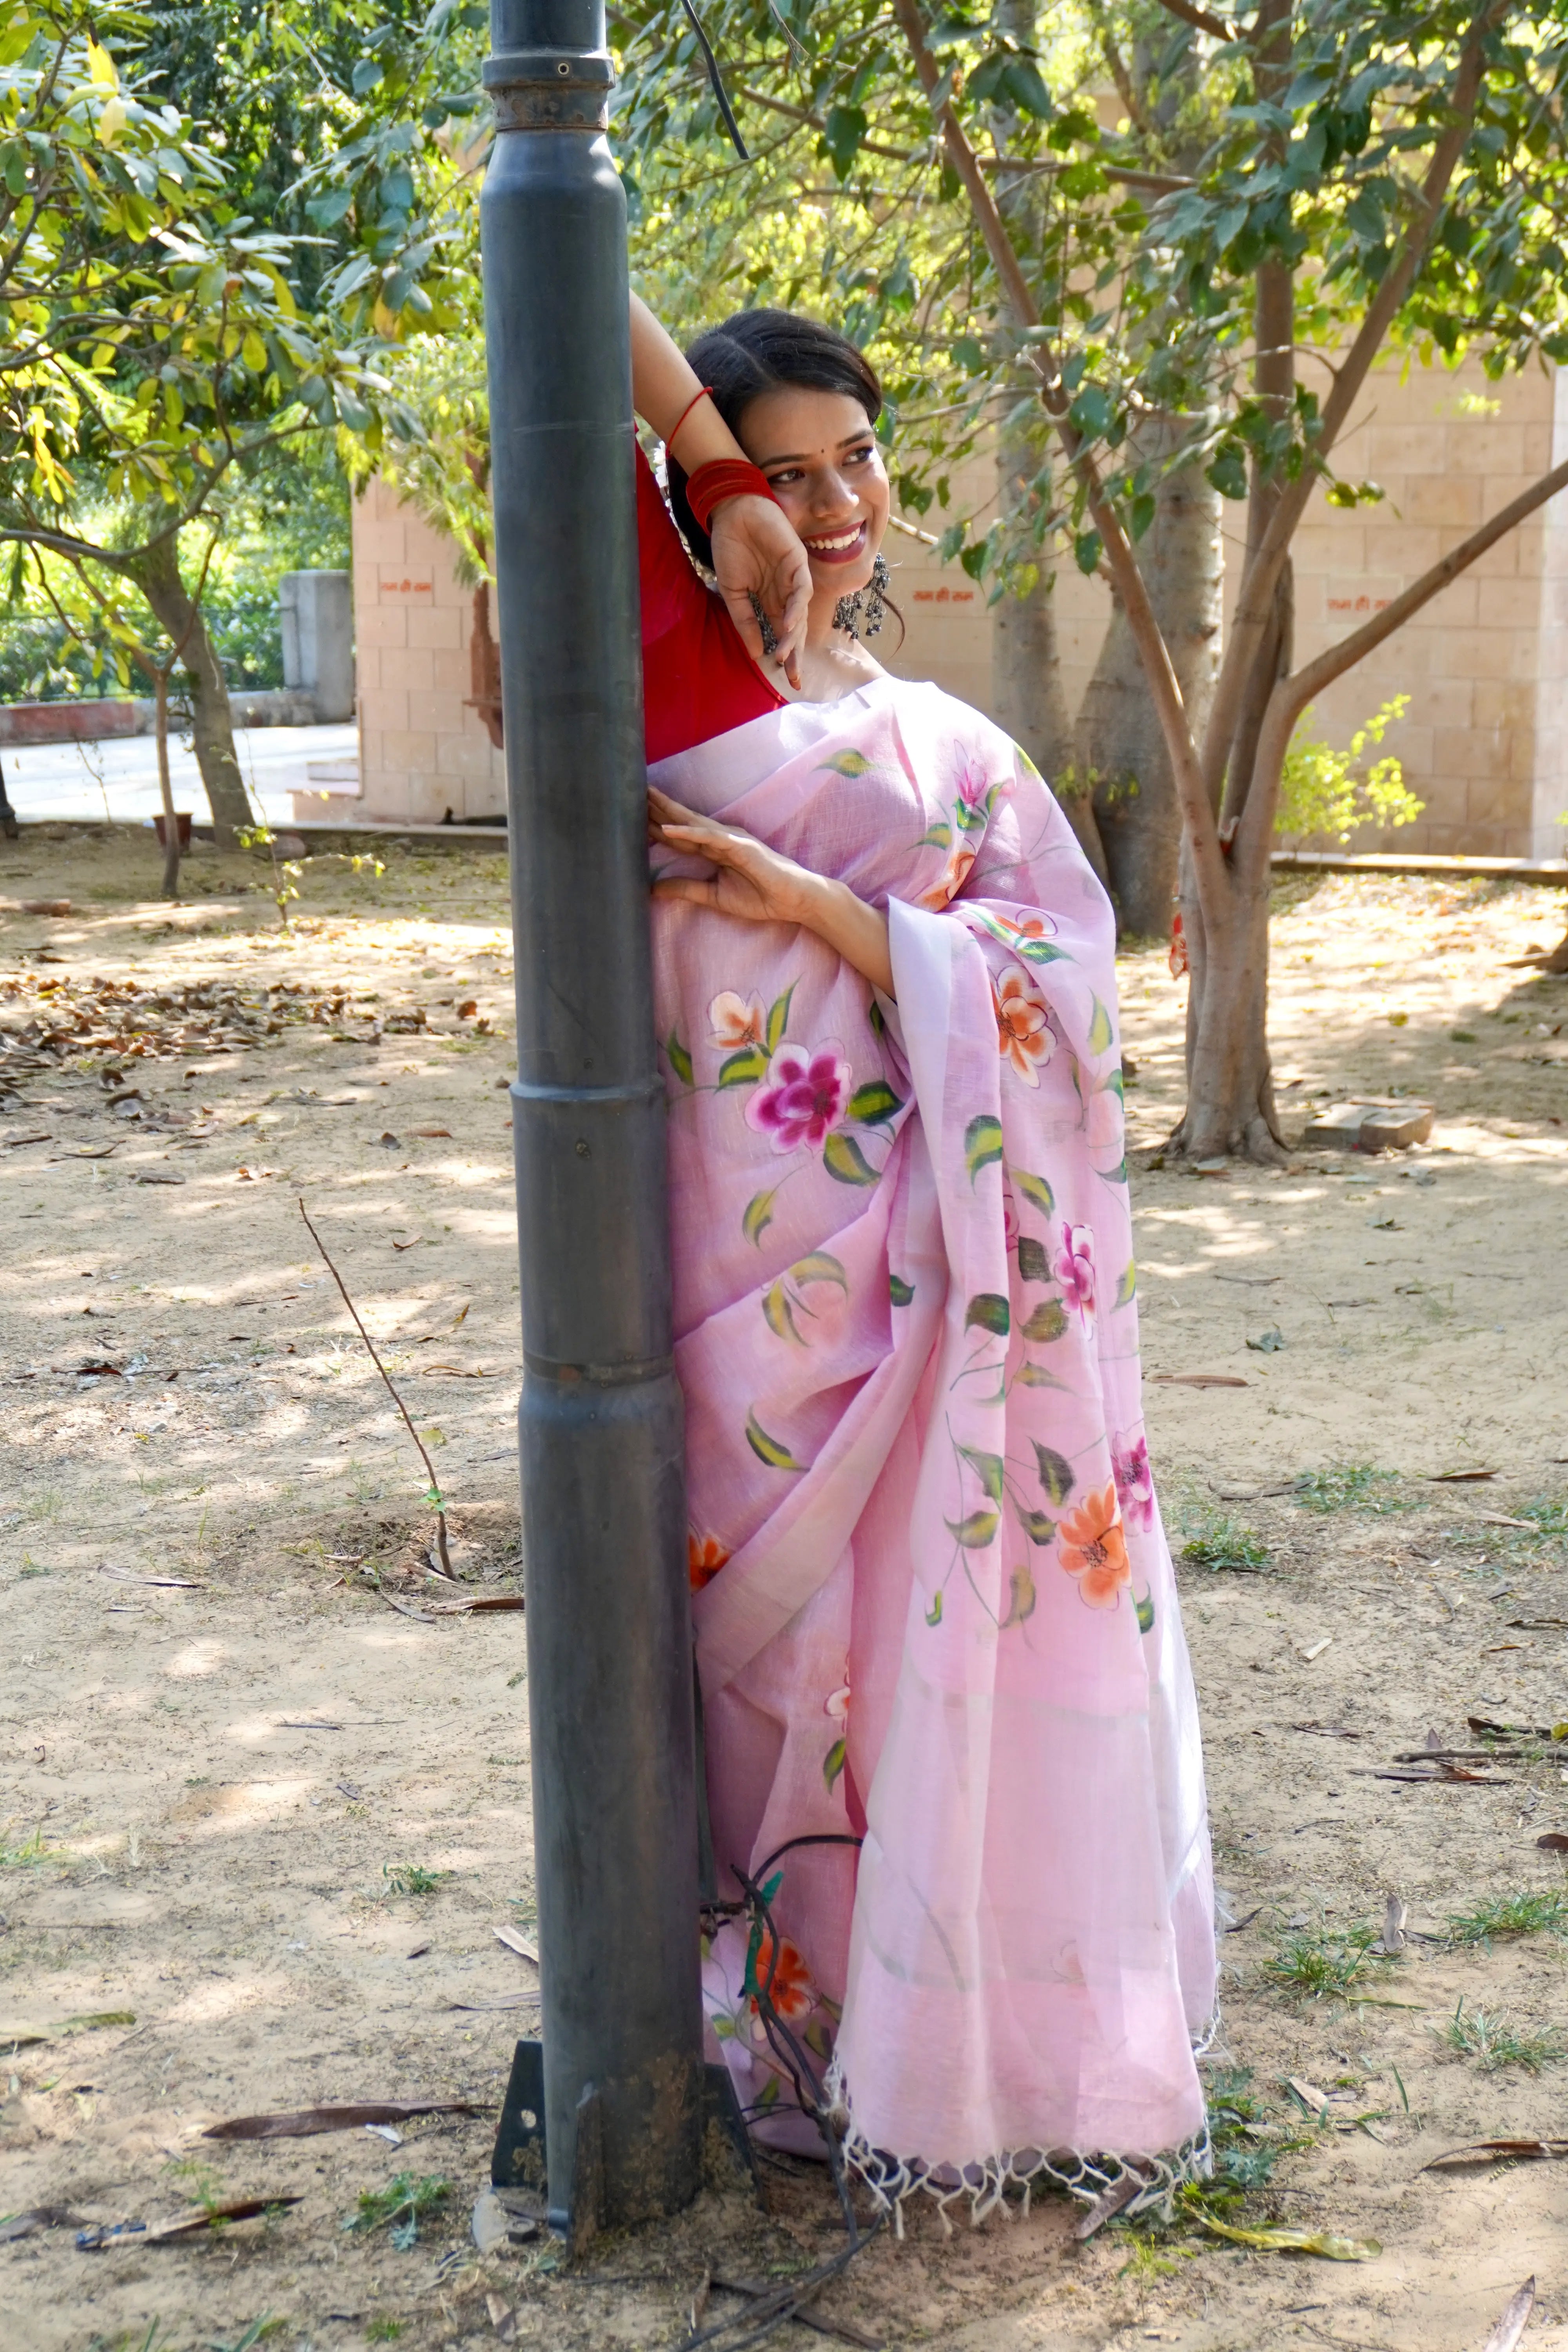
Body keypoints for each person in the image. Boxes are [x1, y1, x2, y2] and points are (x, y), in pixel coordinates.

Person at [629, 293, 1215, 2225]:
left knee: (923, 1627)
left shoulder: (940, 742)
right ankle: (806, 2026)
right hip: (759, 1278)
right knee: (802, 1659)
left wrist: (827, 905)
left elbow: (1063, 992)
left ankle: (965, 2029)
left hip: (939, 1278)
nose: (833, 504)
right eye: (783, 471)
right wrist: (707, 482)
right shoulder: (670, 671)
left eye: (853, 461)